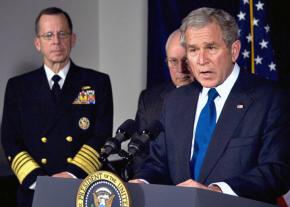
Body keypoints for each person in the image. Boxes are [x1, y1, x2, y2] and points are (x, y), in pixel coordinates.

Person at [131, 7, 290, 204]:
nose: (201, 60)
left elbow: (277, 170)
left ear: (234, 51)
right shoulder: (175, 101)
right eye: (193, 50)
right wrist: (143, 182)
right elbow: (158, 163)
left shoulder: (269, 99)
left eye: (211, 48)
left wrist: (215, 191)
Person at [1, 7, 113, 207]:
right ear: (38, 43)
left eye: (63, 34)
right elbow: (10, 139)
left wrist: (72, 175)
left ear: (73, 39)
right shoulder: (18, 87)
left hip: (81, 188)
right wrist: (37, 180)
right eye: (48, 35)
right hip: (34, 191)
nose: (56, 41)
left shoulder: (97, 82)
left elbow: (101, 135)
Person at [129, 30, 194, 177]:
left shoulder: (214, 98)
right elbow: (140, 155)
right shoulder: (150, 99)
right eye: (173, 61)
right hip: (158, 189)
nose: (180, 70)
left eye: (186, 61)